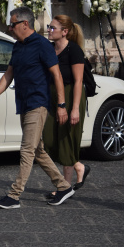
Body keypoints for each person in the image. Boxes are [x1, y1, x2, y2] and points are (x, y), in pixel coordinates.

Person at [0, 6, 74, 209]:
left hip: (37, 103)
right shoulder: (18, 46)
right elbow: (8, 75)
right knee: (38, 150)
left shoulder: (42, 45)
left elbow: (57, 75)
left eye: (12, 24)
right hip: (23, 103)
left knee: (27, 150)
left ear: (25, 24)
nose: (9, 28)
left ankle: (14, 195)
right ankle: (64, 186)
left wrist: (61, 105)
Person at [44, 15, 90, 198]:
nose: (49, 30)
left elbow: (79, 81)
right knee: (47, 140)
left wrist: (74, 108)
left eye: (53, 28)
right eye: (49, 26)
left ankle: (65, 187)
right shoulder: (49, 48)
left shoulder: (74, 50)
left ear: (65, 32)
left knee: (66, 140)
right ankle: (79, 166)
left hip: (71, 95)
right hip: (52, 95)